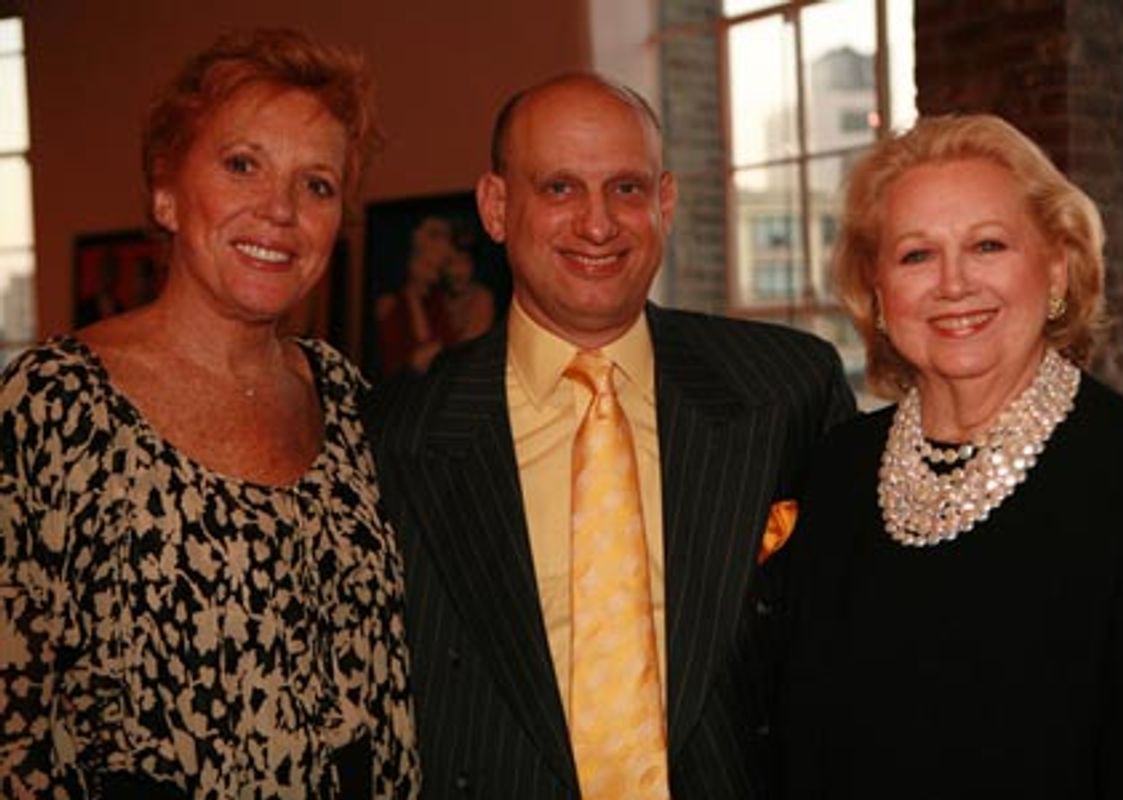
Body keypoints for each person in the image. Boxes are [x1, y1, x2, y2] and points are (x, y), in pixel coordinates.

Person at [365, 72, 856, 799]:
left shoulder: (789, 391)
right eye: (559, 188)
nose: (598, 224)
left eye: (625, 189)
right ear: (497, 208)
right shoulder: (394, 436)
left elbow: (855, 651)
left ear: (664, 202)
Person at [0, 29, 419, 798]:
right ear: (165, 191)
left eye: (317, 185)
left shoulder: (353, 401)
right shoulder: (52, 405)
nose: (280, 211)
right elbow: (13, 723)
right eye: (241, 165)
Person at [777, 114, 1123, 798]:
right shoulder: (837, 472)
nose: (953, 285)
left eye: (988, 245)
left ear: (1057, 267)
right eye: (916, 255)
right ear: (878, 292)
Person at [375, 215, 457, 374]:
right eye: (427, 265)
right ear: (410, 260)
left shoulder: (437, 301)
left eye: (438, 268)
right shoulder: (390, 304)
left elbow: (448, 346)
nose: (433, 276)